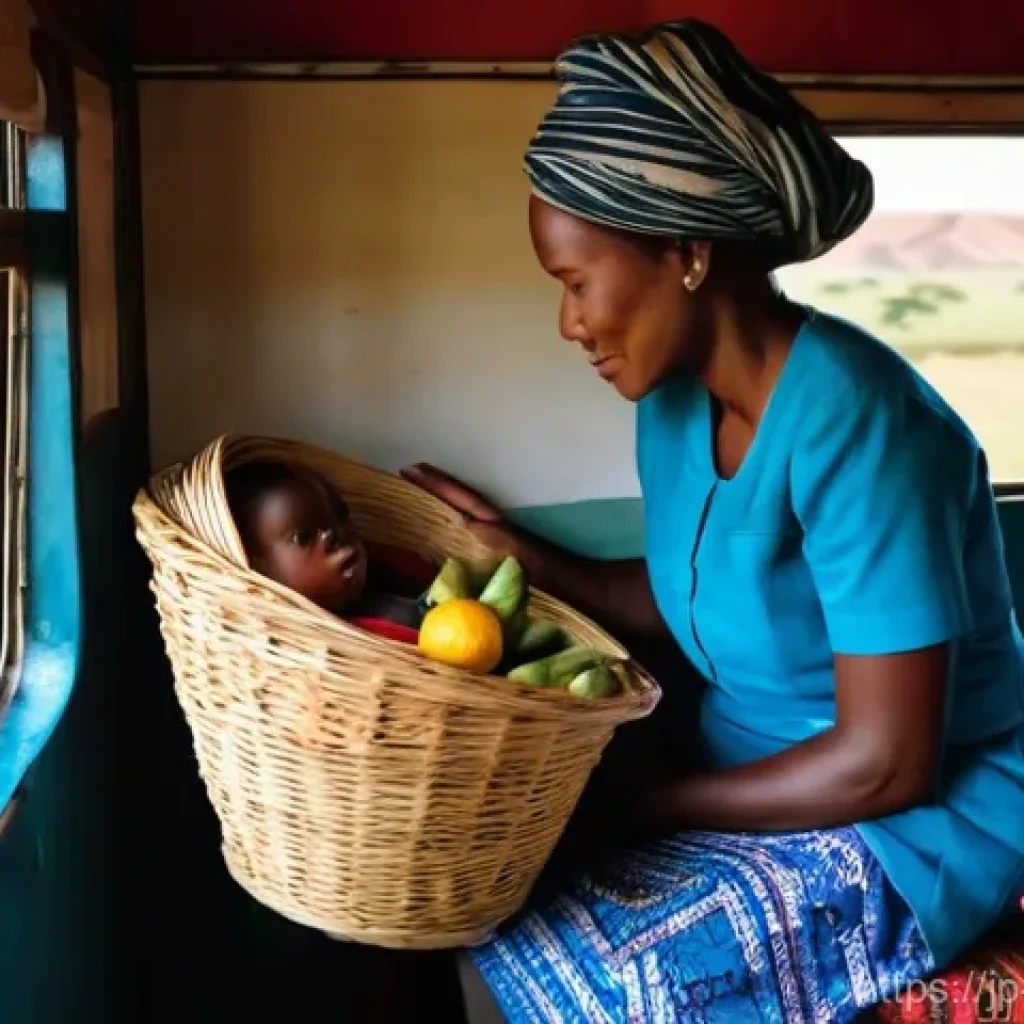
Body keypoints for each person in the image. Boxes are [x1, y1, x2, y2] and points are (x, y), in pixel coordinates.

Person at [400, 18, 1024, 1023]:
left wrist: (649, 806)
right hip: (749, 776)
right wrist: (520, 555)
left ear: (686, 252)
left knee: (621, 980)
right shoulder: (672, 405)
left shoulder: (862, 424)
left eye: (574, 282)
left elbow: (888, 762)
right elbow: (698, 597)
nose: (568, 323)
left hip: (915, 825)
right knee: (469, 897)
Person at [225, 460, 419, 626]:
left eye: (341, 518)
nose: (337, 537)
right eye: (304, 537)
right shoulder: (272, 636)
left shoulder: (390, 576)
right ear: (256, 566)